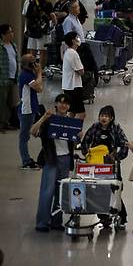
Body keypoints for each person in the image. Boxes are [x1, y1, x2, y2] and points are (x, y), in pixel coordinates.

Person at [32, 95, 76, 233]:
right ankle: (42, 223)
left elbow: (73, 141)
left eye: (66, 103)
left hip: (65, 159)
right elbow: (33, 131)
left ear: (69, 106)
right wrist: (44, 117)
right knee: (47, 191)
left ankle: (56, 221)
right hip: (51, 159)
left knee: (61, 192)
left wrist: (79, 135)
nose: (63, 105)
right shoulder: (49, 120)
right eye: (61, 103)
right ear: (56, 104)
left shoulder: (71, 122)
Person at [80, 105, 129, 228]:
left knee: (114, 190)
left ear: (111, 118)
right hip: (96, 166)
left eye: (106, 116)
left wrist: (116, 156)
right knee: (98, 190)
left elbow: (125, 145)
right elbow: (85, 141)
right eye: (102, 115)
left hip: (111, 165)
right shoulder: (95, 128)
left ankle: (122, 217)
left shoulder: (116, 129)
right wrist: (87, 154)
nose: (103, 118)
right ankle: (103, 218)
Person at [18, 54, 43, 169]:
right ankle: (26, 160)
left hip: (32, 108)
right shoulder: (26, 75)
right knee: (24, 137)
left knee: (28, 135)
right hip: (26, 110)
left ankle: (27, 159)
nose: (35, 64)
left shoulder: (30, 74)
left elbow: (40, 88)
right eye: (33, 62)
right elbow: (38, 87)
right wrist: (39, 73)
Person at [61, 32, 85, 121]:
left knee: (72, 111)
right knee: (81, 113)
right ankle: (75, 130)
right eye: (76, 38)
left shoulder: (67, 52)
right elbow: (81, 71)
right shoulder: (73, 53)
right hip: (74, 86)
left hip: (68, 85)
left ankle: (68, 127)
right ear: (73, 41)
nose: (78, 39)